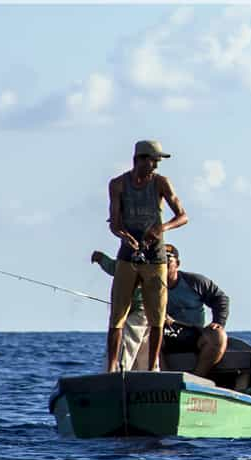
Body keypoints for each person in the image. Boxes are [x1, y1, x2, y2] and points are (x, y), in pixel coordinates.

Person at [105, 140, 189, 372]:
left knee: (157, 319)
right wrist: (124, 237)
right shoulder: (118, 185)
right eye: (152, 161)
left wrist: (161, 229)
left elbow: (183, 216)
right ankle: (111, 369)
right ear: (139, 159)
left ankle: (153, 367)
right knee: (117, 316)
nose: (155, 166)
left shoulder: (161, 183)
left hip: (156, 258)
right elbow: (114, 223)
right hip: (127, 257)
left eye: (157, 162)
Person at [161, 243, 229, 377]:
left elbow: (220, 298)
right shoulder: (147, 286)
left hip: (194, 335)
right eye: (159, 261)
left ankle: (197, 378)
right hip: (162, 337)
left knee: (218, 335)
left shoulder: (195, 281)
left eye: (168, 261)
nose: (163, 265)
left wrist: (218, 322)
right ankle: (164, 377)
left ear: (177, 263)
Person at [91, 250, 148, 370]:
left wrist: (101, 259)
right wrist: (101, 259)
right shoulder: (125, 261)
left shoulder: (152, 261)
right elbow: (115, 267)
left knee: (126, 341)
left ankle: (116, 374)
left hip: (142, 311)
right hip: (131, 310)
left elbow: (115, 268)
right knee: (141, 350)